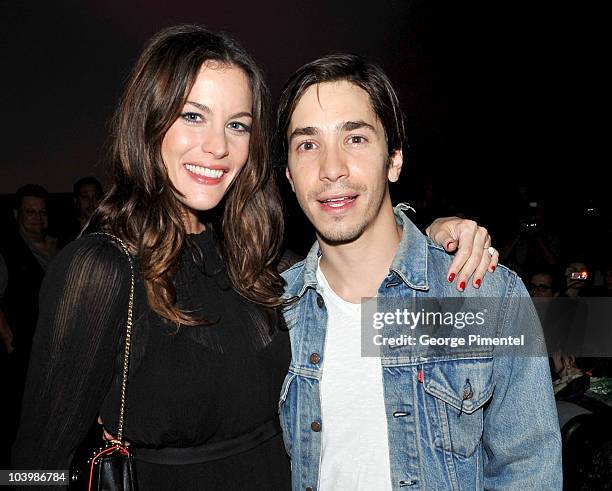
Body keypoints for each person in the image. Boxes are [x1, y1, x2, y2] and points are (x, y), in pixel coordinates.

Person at [12, 26, 496, 489]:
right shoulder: (100, 269)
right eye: (193, 116)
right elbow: (33, 466)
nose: (218, 146)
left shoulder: (259, 262)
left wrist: (435, 239)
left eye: (237, 125)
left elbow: (366, 279)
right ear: (148, 119)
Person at [276, 54, 562, 490]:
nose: (331, 168)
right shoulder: (274, 310)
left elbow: (530, 471)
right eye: (307, 144)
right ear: (290, 177)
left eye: (355, 138)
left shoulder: (486, 295)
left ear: (393, 160)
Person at [57, 176, 103, 248]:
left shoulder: (108, 227)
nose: (91, 202)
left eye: (96, 197)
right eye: (85, 197)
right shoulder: (66, 230)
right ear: (76, 200)